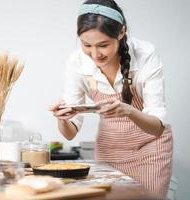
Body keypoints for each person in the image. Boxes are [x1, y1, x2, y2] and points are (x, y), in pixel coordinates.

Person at [49, 0, 173, 197]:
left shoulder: (145, 54)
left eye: (103, 45)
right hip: (109, 151)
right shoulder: (76, 62)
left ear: (121, 33)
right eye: (86, 45)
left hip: (149, 151)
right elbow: (70, 133)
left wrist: (128, 110)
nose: (95, 54)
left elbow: (158, 128)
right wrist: (62, 118)